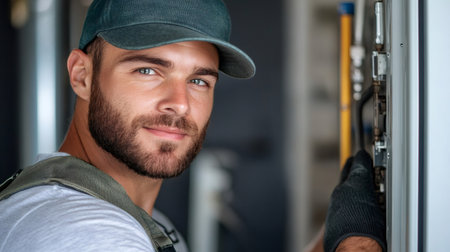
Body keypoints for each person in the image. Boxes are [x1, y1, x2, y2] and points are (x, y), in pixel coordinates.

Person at [0, 0, 385, 251]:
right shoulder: (85, 234)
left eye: (199, 80)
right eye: (148, 70)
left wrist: (338, 236)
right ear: (81, 75)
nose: (180, 104)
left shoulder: (132, 216)